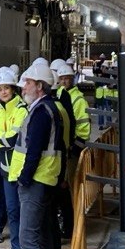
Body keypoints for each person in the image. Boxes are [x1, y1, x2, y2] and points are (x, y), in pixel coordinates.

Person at [7, 60, 67, 249]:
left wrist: (24, 177)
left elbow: (35, 150)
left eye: (28, 83)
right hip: (45, 180)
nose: (23, 87)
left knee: (29, 238)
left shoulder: (42, 112)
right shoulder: (47, 108)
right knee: (42, 235)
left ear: (40, 87)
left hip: (37, 182)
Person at [0, 66, 26, 249]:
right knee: (12, 211)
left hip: (19, 170)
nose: (2, 92)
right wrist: (0, 140)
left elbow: (11, 140)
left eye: (6, 88)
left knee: (21, 212)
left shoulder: (20, 110)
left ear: (14, 88)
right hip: (5, 169)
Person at [51, 60, 91, 238]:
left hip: (72, 149)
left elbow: (83, 126)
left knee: (71, 187)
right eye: (62, 78)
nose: (65, 81)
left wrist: (76, 148)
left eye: (67, 78)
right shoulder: (59, 94)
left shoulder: (78, 99)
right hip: (65, 148)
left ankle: (74, 224)